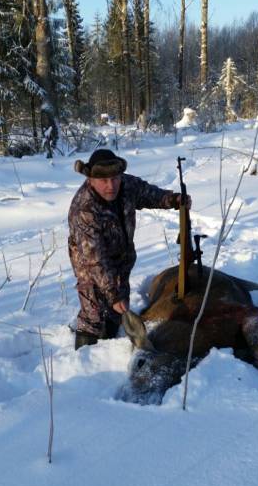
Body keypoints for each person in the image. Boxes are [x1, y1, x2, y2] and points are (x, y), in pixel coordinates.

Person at [68, 148, 191, 349]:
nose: (111, 186)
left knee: (117, 307)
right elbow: (96, 260)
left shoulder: (126, 184)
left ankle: (110, 333)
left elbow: (149, 194)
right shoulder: (84, 209)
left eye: (115, 178)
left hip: (122, 255)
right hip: (90, 262)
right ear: (91, 179)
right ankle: (85, 355)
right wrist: (112, 294)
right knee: (95, 310)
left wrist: (173, 200)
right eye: (104, 181)